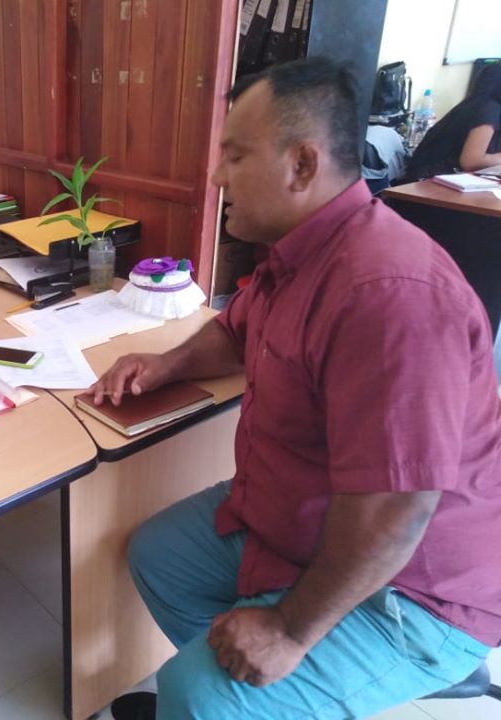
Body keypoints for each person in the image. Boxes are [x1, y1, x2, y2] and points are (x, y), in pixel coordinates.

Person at [92, 57, 501, 719]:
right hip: (308, 515)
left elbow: (396, 507)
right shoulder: (299, 253)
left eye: (235, 156)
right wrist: (166, 364)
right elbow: (236, 334)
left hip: (415, 586)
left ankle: (225, 697)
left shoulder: (390, 293)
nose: (218, 177)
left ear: (303, 164)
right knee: (160, 557)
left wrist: (289, 631)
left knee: (195, 692)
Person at [403, 63, 501, 181]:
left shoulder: (478, 104)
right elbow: (470, 161)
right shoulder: (488, 109)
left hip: (443, 177)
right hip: (428, 180)